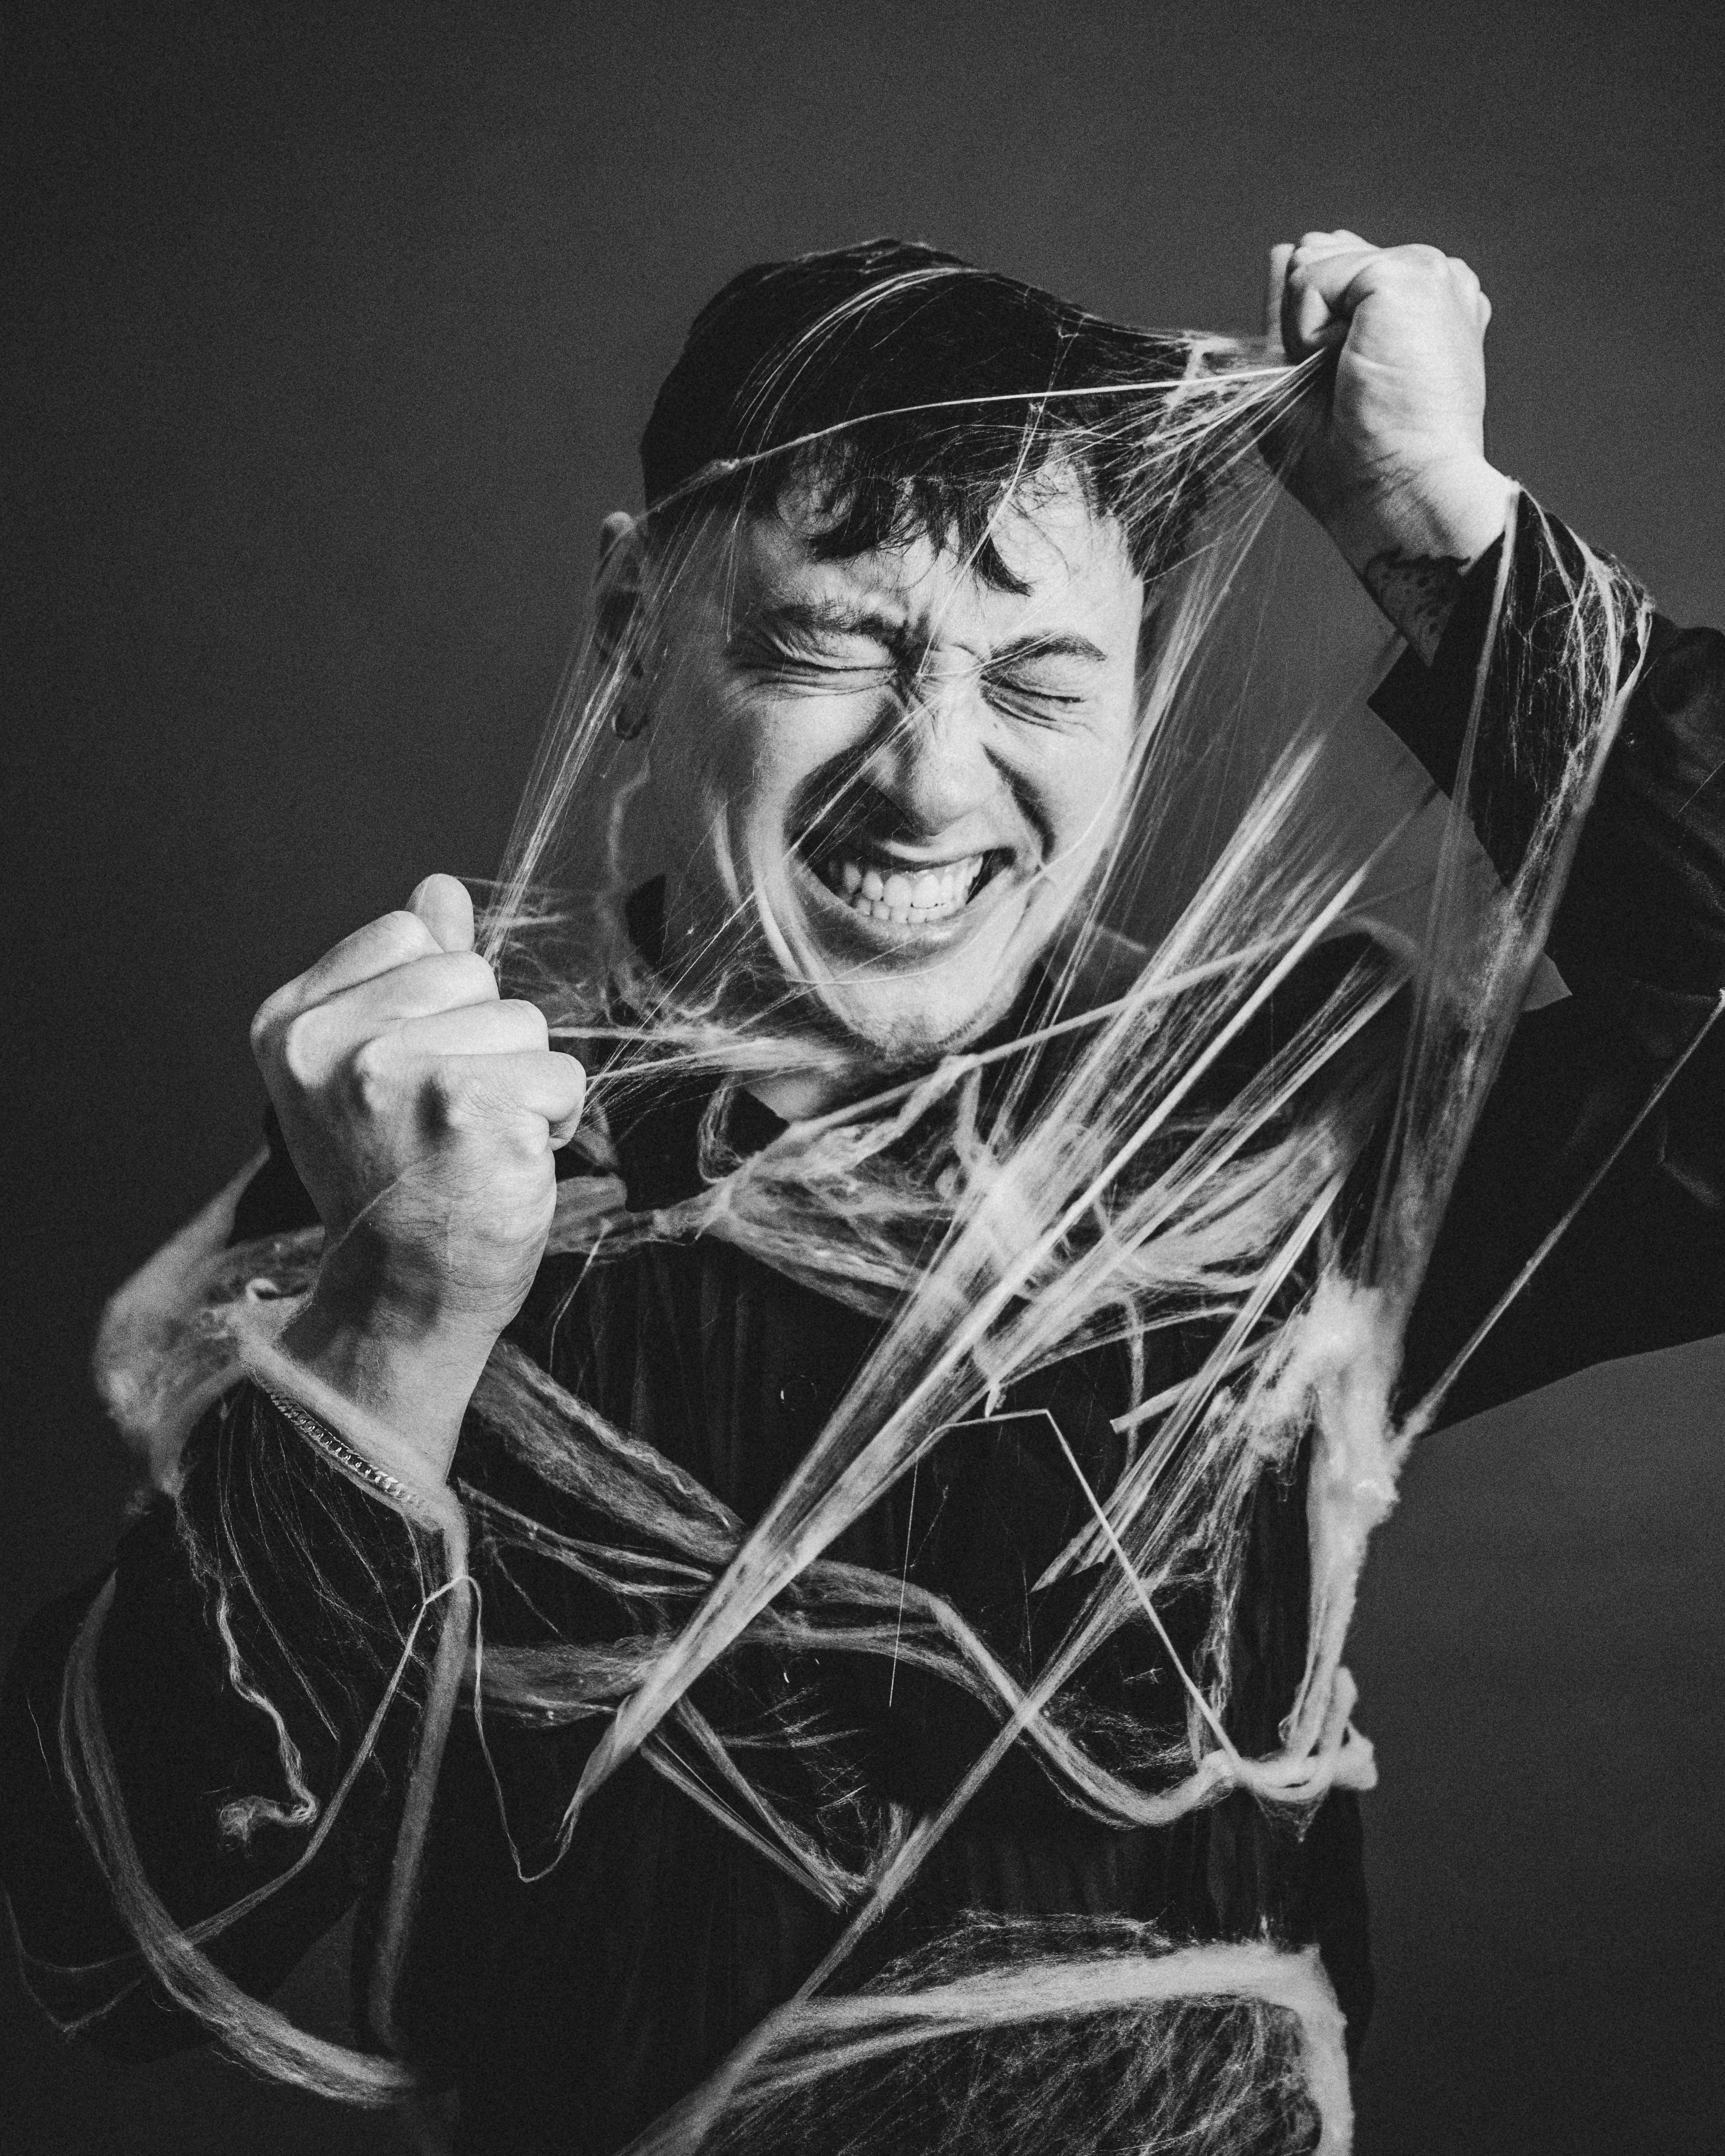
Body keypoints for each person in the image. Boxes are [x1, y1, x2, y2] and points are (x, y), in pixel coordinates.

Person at [5, 231, 1724, 2155]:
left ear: (1140, 695)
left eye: (1043, 679)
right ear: (636, 627)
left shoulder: (1273, 1121)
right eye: (829, 645)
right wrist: (399, 1321)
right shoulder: (427, 1163)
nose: (930, 781)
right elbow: (120, 1956)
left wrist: (1435, 531)